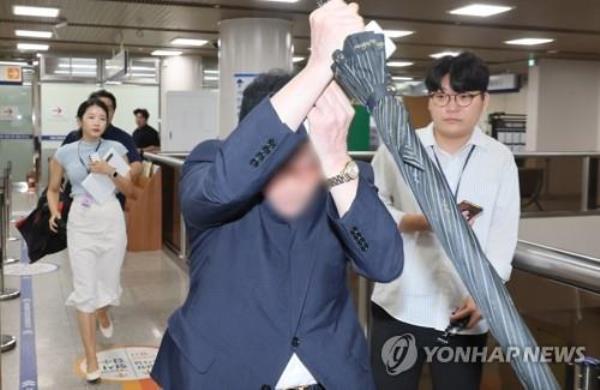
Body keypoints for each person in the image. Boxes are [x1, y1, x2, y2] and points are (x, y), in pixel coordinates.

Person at [150, 2, 404, 389]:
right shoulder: (212, 161)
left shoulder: (343, 178)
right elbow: (221, 189)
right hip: (221, 374)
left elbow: (385, 263)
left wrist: (335, 156)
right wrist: (318, 68)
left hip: (328, 376)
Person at [369, 52, 520, 390]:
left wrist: (487, 296)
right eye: (441, 96)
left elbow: (502, 238)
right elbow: (372, 205)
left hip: (464, 311)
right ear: (431, 100)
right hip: (400, 305)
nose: (451, 106)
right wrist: (413, 221)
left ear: (484, 100)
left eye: (464, 96)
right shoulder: (399, 147)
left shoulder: (500, 159)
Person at [48, 98, 133, 384]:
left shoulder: (116, 149)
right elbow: (52, 189)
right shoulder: (64, 152)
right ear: (80, 120)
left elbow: (131, 191)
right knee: (84, 289)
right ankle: (92, 359)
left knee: (107, 285)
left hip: (110, 218)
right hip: (80, 223)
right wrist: (52, 211)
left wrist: (110, 172)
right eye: (91, 117)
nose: (97, 122)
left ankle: (103, 312)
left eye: (102, 118)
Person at [63, 90, 142, 201]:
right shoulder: (74, 136)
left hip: (111, 200)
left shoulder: (123, 138)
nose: (104, 110)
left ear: (114, 112)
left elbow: (137, 165)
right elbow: (59, 166)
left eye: (108, 108)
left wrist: (113, 177)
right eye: (99, 106)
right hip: (76, 200)